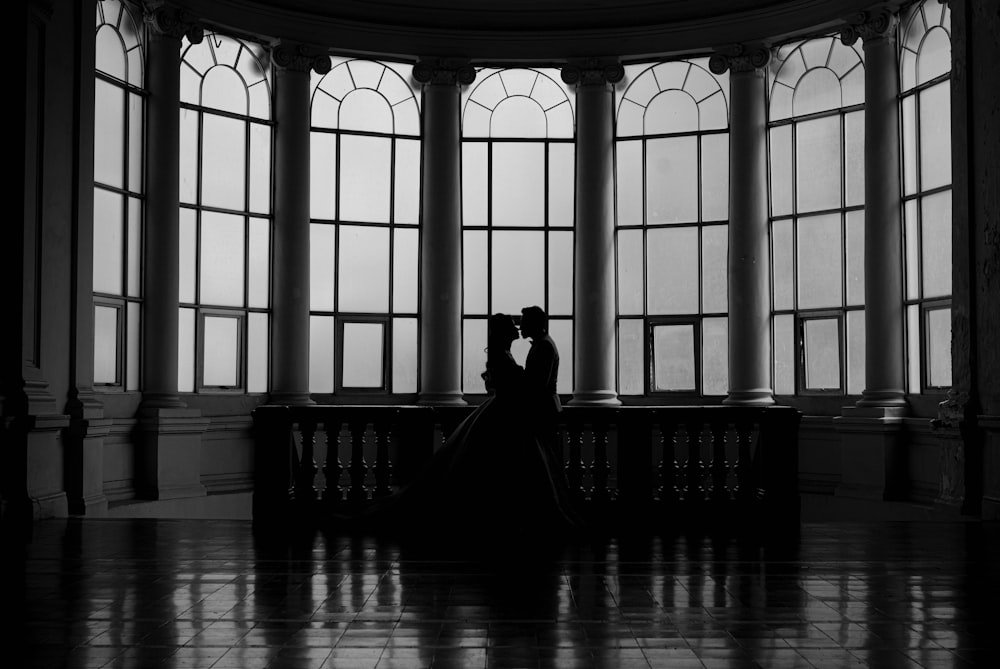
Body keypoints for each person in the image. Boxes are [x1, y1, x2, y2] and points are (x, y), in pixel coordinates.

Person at [343, 313, 582, 547]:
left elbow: (521, 384)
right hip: (507, 414)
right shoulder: (506, 354)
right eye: (512, 325)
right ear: (503, 332)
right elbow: (519, 384)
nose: (517, 327)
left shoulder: (515, 351)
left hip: (508, 413)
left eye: (520, 323)